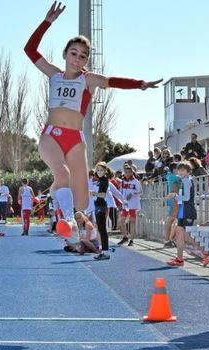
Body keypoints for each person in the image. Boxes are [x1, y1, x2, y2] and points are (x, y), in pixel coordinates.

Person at [25, 1, 161, 237]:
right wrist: (47, 22)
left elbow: (112, 81)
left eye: (82, 56)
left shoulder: (87, 80)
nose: (77, 59)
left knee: (82, 199)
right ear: (65, 54)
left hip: (75, 140)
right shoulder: (53, 74)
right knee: (62, 173)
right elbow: (30, 50)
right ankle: (64, 218)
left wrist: (140, 84)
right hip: (52, 135)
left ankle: (81, 228)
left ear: (86, 60)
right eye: (73, 53)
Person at [166, 161, 197, 267]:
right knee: (180, 234)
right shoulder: (183, 182)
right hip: (183, 211)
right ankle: (179, 259)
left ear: (188, 172)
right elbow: (182, 199)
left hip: (187, 211)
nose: (180, 172)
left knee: (185, 235)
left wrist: (175, 196)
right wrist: (175, 195)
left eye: (183, 170)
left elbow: (187, 198)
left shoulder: (186, 181)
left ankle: (204, 250)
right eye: (179, 170)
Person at [92, 162, 113, 260]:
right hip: (97, 206)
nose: (99, 172)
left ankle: (105, 252)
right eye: (98, 170)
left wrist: (93, 193)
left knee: (102, 229)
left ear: (105, 171)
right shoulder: (99, 180)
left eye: (101, 170)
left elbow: (103, 195)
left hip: (102, 206)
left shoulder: (104, 180)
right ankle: (102, 251)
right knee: (100, 229)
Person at [117, 165, 142, 246]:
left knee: (132, 222)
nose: (127, 174)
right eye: (126, 172)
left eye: (129, 172)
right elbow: (120, 192)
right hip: (125, 205)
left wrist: (133, 193)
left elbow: (140, 192)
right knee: (121, 221)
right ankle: (125, 237)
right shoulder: (123, 182)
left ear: (132, 172)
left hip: (133, 205)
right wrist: (121, 202)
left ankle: (132, 240)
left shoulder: (136, 182)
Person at [163, 162, 182, 248]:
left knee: (174, 221)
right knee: (171, 220)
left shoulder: (170, 176)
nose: (180, 171)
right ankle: (167, 240)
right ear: (174, 169)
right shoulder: (174, 177)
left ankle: (170, 239)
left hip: (174, 200)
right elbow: (180, 179)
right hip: (175, 200)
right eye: (179, 169)